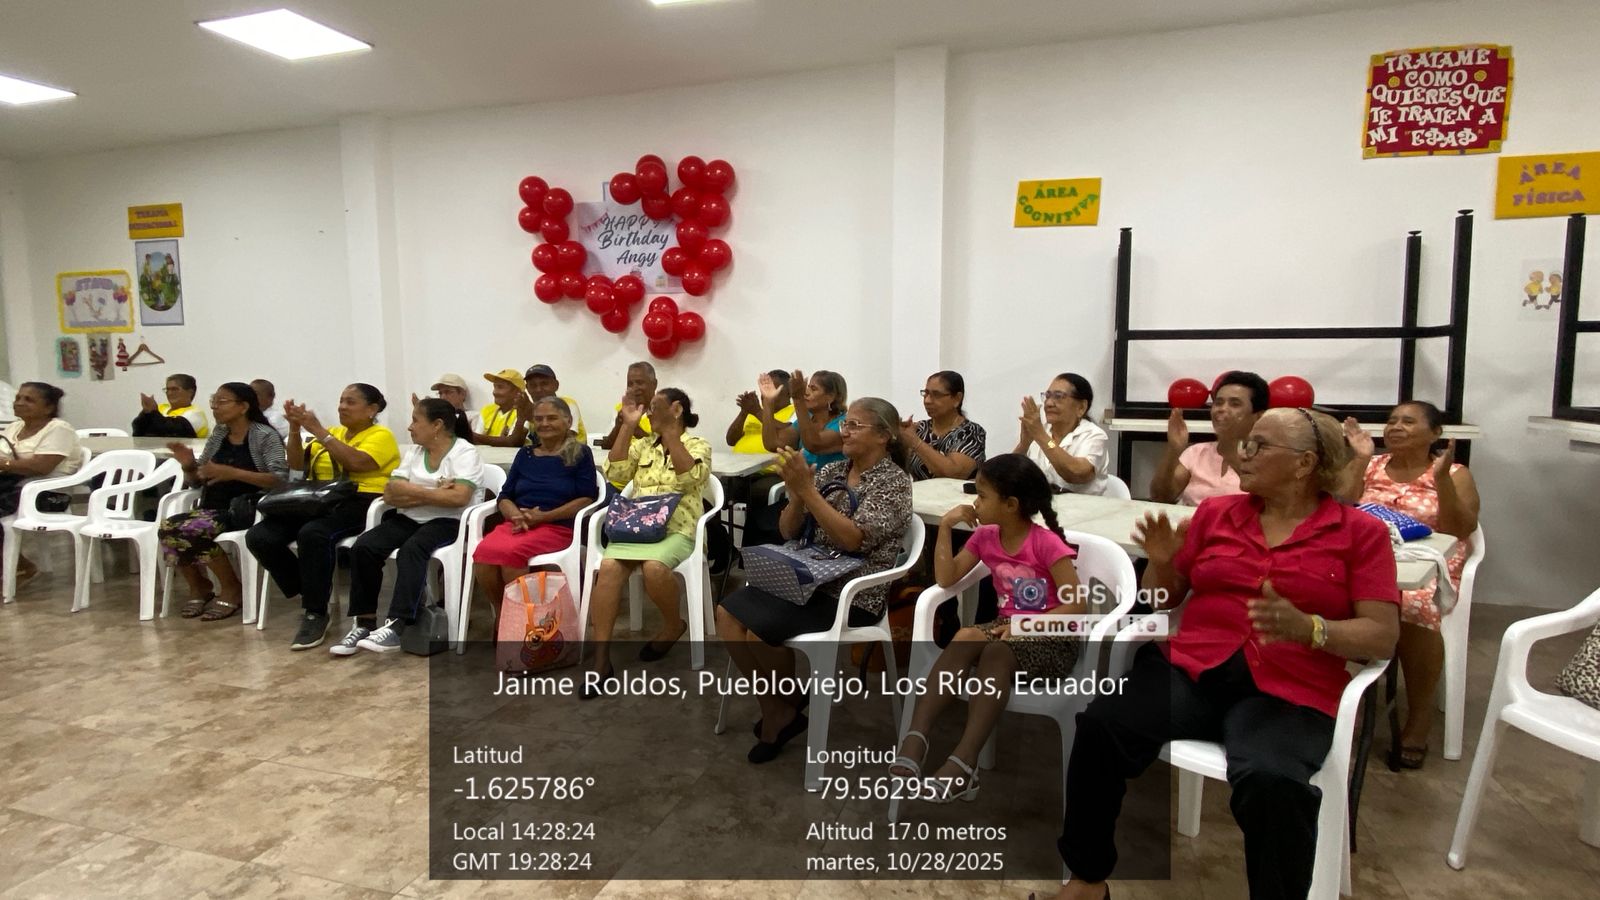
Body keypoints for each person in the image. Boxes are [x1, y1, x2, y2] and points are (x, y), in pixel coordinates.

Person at [1051, 408, 1400, 900]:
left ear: (1304, 464)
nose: (1242, 454)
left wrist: (1311, 629)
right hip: (1193, 670)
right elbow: (1163, 599)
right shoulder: (1216, 514)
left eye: (1259, 446)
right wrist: (1162, 564)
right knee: (1101, 727)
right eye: (1245, 443)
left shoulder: (1359, 534)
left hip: (1288, 690)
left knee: (1273, 780)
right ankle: (1087, 881)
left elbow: (1381, 636)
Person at [716, 398, 914, 763]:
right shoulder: (833, 471)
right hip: (807, 575)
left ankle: (781, 710)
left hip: (851, 593)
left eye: (855, 426)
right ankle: (779, 705)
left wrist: (808, 491)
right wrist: (796, 496)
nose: (845, 432)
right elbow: (787, 531)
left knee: (758, 632)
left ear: (884, 436)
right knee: (726, 615)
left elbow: (852, 540)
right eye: (845, 424)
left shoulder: (894, 483)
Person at [890, 454, 1084, 801]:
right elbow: (947, 578)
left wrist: (1026, 626)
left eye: (982, 495)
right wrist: (946, 527)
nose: (975, 503)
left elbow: (1077, 606)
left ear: (1010, 505)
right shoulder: (985, 537)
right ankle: (916, 736)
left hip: (1052, 635)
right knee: (965, 635)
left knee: (995, 652)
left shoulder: (1046, 543)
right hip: (1005, 627)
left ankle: (965, 762)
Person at [1339, 400, 1479, 769]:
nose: (1396, 427)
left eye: (1408, 421)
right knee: (1326, 596)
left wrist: (1442, 480)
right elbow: (1340, 507)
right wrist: (1359, 458)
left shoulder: (1455, 472)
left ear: (1435, 433)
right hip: (1367, 559)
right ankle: (1344, 703)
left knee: (1410, 607)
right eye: (1391, 421)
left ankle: (1418, 720)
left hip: (1428, 565)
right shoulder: (1371, 465)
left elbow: (1459, 529)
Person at [246, 383, 401, 651]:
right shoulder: (335, 432)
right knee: (260, 536)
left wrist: (318, 430)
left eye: (351, 402)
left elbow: (356, 463)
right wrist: (295, 429)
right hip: (320, 498)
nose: (342, 407)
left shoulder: (381, 435)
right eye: (341, 400)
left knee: (314, 533)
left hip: (362, 500)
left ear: (372, 409)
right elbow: (296, 466)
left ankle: (315, 612)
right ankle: (309, 588)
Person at [330, 399, 485, 655]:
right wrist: (435, 491)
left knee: (412, 550)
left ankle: (396, 624)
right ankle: (364, 623)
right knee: (364, 546)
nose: (410, 427)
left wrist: (411, 491)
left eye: (415, 420)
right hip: (410, 517)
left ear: (437, 425)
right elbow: (390, 493)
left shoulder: (464, 452)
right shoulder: (414, 452)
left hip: (450, 521)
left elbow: (459, 498)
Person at [584, 388, 712, 693]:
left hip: (678, 530)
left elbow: (690, 478)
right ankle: (601, 661)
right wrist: (627, 426)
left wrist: (671, 435)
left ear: (676, 409)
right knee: (609, 568)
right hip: (637, 528)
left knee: (654, 568)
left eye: (655, 407)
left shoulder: (698, 444)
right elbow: (615, 473)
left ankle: (673, 626)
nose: (649, 413)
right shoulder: (643, 445)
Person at [162, 382, 289, 620]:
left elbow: (280, 480)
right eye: (214, 402)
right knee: (168, 528)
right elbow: (198, 480)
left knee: (192, 531)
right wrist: (188, 466)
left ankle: (231, 588)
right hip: (211, 507)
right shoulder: (220, 433)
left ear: (243, 407)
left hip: (246, 508)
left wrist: (233, 473)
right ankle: (199, 586)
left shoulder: (265, 435)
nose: (215, 407)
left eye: (222, 402)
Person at [471, 397, 599, 623]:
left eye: (552, 418)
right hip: (518, 522)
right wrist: (515, 514)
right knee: (483, 554)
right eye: (539, 419)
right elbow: (505, 496)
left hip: (558, 526)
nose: (544, 423)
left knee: (511, 555)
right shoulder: (525, 455)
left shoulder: (580, 453)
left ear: (568, 421)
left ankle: (523, 622)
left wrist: (544, 517)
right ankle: (504, 616)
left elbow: (586, 498)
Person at [0, 382, 83, 588]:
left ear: (48, 408)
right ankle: (19, 565)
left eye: (28, 400)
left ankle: (19, 567)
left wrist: (6, 464)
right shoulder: (14, 428)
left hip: (46, 494)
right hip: (14, 486)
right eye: (18, 398)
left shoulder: (59, 429)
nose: (19, 403)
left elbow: (42, 466)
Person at [1149, 370, 1269, 505]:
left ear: (1259, 416)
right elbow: (1161, 497)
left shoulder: (1270, 459)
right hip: (1192, 518)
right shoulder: (1197, 452)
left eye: (1235, 404)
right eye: (1218, 403)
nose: (1222, 409)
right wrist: (1174, 449)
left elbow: (1268, 507)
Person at [723, 368, 794, 546]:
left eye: (772, 388)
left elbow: (786, 433)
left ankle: (751, 550)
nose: (765, 393)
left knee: (756, 495)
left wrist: (757, 411)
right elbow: (731, 439)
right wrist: (744, 412)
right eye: (764, 388)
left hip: (772, 473)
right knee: (713, 491)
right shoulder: (756, 412)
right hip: (740, 471)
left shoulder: (794, 412)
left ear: (788, 392)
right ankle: (721, 545)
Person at [1015, 372, 1108, 494]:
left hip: (1082, 505)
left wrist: (1041, 436)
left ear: (1081, 407)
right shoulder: (1042, 432)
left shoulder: (1094, 435)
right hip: (1042, 504)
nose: (1048, 403)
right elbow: (1008, 477)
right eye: (1047, 396)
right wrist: (1024, 444)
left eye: (1058, 396)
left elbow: (1076, 474)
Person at [903, 370, 986, 481]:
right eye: (926, 393)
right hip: (920, 492)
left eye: (936, 395)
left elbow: (954, 473)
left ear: (957, 398)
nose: (927, 400)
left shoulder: (971, 432)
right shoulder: (919, 429)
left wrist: (915, 442)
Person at [757, 369, 847, 469]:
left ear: (830, 397)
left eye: (813, 389)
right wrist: (768, 401)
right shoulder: (808, 418)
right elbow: (773, 444)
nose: (806, 392)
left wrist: (798, 399)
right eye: (808, 387)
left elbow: (814, 445)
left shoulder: (844, 423)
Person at [519, 365, 587, 445]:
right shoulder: (530, 408)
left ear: (556, 385)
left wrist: (532, 418)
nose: (538, 389)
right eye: (533, 385)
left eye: (544, 384)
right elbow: (515, 442)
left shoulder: (567, 404)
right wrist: (520, 418)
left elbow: (564, 440)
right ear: (527, 389)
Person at [599, 361, 658, 450]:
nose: (634, 388)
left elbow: (661, 448)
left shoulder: (664, 410)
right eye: (630, 384)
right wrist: (619, 426)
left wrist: (632, 426)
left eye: (640, 383)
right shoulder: (621, 409)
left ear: (654, 384)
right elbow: (607, 446)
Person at [132, 373, 210, 438]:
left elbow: (171, 431)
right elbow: (137, 428)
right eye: (167, 389)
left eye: (174, 389)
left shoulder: (196, 414)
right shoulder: (161, 407)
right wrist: (145, 413)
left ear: (190, 392)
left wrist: (152, 412)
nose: (169, 393)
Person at [474, 370, 529, 447]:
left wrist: (474, 435)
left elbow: (513, 442)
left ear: (517, 391)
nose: (494, 392)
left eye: (500, 387)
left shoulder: (524, 411)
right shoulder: (487, 410)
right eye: (494, 387)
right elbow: (476, 441)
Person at [412, 374, 482, 432]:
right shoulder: (436, 418)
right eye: (440, 393)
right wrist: (422, 412)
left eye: (448, 392)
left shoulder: (474, 416)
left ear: (462, 394)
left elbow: (475, 441)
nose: (443, 397)